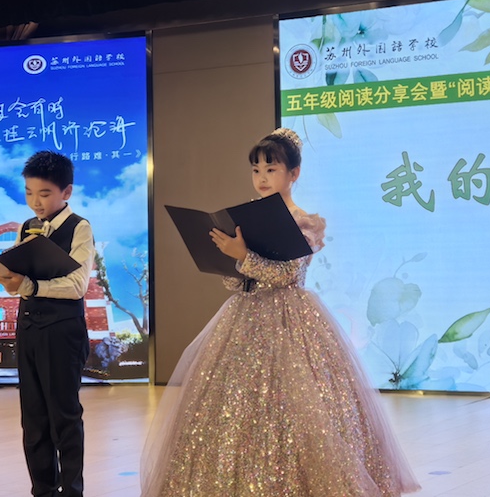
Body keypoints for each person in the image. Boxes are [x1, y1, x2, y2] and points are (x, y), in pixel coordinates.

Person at [141, 128, 420, 497]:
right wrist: (229, 261)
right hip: (245, 317)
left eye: (271, 169)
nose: (261, 178)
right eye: (256, 170)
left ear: (294, 174)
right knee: (235, 408)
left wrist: (243, 257)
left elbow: (287, 275)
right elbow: (238, 281)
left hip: (291, 319)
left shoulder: (302, 221)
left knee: (299, 406)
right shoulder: (245, 218)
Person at [0, 150, 95, 497]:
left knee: (64, 417)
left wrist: (29, 285)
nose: (35, 202)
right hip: (28, 328)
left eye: (44, 193)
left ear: (66, 191)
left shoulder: (80, 227)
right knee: (33, 418)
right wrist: (7, 276)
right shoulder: (27, 227)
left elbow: (77, 285)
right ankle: (42, 490)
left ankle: (72, 491)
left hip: (62, 331)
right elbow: (20, 272)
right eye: (29, 193)